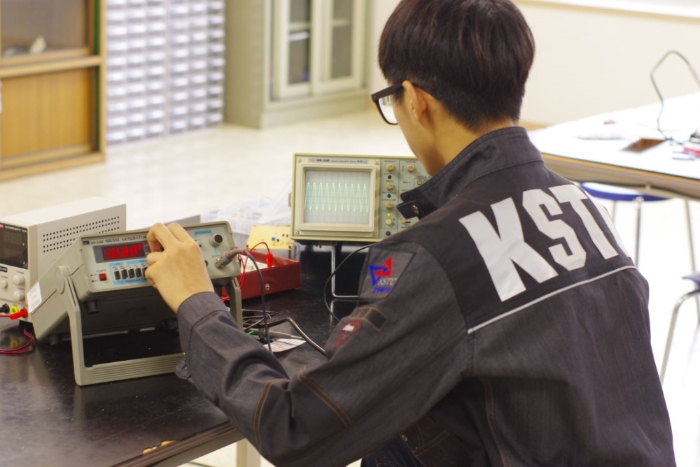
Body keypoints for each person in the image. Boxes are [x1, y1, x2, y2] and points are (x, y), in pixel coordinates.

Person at [145, 0, 676, 465]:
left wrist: (198, 304)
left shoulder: (435, 255)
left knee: (378, 417)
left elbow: (295, 430)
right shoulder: (576, 203)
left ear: (416, 99)